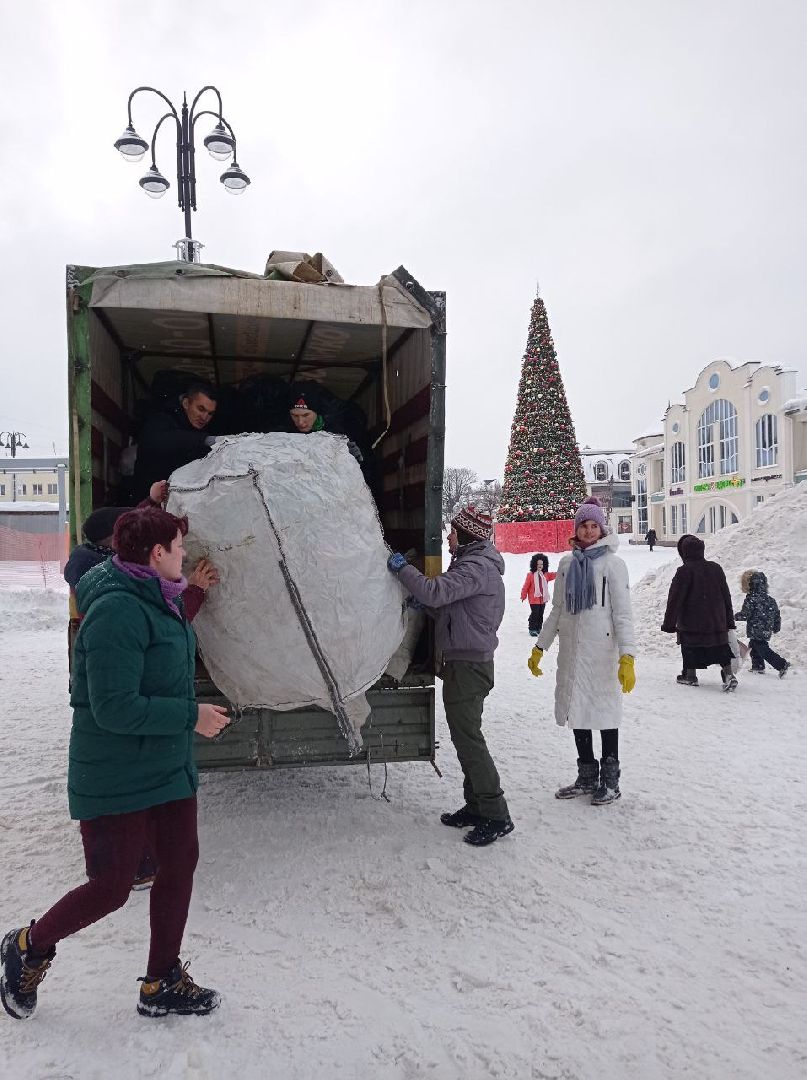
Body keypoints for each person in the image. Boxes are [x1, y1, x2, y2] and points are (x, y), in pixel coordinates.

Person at [1, 507, 229, 1022]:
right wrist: (191, 715)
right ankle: (27, 945)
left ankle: (161, 980)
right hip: (117, 773)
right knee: (111, 887)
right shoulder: (115, 612)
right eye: (178, 548)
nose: (184, 555)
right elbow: (113, 707)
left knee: (179, 863)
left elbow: (161, 638)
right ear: (155, 555)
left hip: (165, 765)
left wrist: (193, 593)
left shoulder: (157, 597)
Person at [387, 507, 512, 847]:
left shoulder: (476, 568)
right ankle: (476, 807)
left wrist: (404, 571)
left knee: (470, 740)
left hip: (468, 668)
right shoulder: (472, 567)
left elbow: (436, 592)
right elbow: (448, 607)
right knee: (464, 738)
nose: (448, 536)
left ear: (469, 534)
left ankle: (496, 814)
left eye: (454, 532)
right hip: (464, 665)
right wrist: (422, 605)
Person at [528, 497, 636, 805]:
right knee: (577, 713)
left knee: (604, 714)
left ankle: (611, 781)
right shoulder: (565, 564)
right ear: (576, 529)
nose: (588, 532)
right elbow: (557, 610)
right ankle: (587, 777)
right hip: (572, 653)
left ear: (602, 529)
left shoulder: (614, 564)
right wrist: (540, 647)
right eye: (583, 526)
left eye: (593, 526)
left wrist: (627, 655)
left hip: (602, 655)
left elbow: (623, 614)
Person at [661, 534, 737, 691]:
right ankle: (729, 675)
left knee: (689, 647)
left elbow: (675, 600)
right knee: (721, 648)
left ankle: (690, 676)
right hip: (717, 622)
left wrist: (669, 624)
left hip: (691, 623)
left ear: (684, 552)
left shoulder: (684, 571)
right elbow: (726, 596)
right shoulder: (716, 568)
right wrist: (729, 620)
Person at [132, 382, 220, 502]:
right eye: (200, 409)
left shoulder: (200, 431)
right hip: (147, 499)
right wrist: (204, 440)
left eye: (210, 413)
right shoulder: (162, 418)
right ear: (186, 403)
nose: (204, 417)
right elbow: (159, 441)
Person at [734, 571, 790, 677]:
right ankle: (758, 666)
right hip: (766, 629)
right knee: (754, 646)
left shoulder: (751, 599)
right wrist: (776, 626)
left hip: (756, 629)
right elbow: (776, 614)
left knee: (762, 649)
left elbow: (746, 614)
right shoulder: (770, 600)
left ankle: (782, 664)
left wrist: (735, 617)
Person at [520, 553, 556, 637]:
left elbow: (554, 575)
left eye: (542, 564)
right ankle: (532, 628)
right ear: (534, 564)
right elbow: (526, 586)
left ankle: (539, 628)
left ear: (545, 564)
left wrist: (561, 572)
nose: (540, 566)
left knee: (540, 614)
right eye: (538, 564)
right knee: (535, 613)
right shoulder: (530, 575)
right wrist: (523, 595)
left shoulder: (546, 574)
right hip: (534, 599)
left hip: (543, 599)